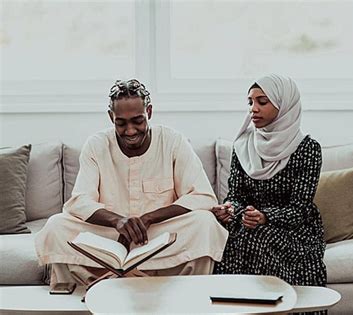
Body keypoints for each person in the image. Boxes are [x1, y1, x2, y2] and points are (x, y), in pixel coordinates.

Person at [35, 79, 228, 287]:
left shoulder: (173, 141)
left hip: (157, 237)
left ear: (149, 112)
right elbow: (79, 202)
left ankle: (114, 283)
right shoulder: (97, 145)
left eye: (137, 121)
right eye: (121, 123)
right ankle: (130, 286)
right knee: (57, 226)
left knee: (204, 223)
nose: (130, 130)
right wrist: (118, 221)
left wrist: (149, 218)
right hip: (110, 239)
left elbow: (202, 197)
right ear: (111, 117)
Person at [212, 74, 327, 289]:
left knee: (259, 240)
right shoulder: (242, 145)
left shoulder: (308, 149)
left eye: (262, 102)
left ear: (284, 105)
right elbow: (236, 195)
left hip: (292, 229)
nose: (253, 109)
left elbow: (299, 210)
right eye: (250, 102)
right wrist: (230, 209)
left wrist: (265, 217)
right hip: (248, 224)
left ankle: (276, 307)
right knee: (232, 240)